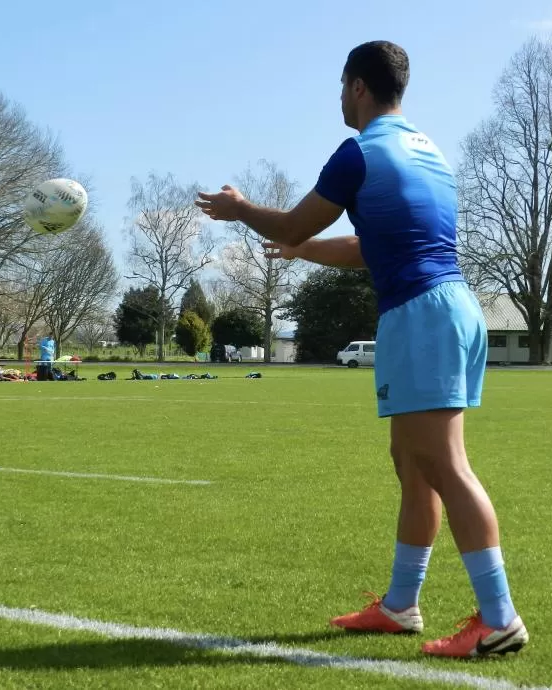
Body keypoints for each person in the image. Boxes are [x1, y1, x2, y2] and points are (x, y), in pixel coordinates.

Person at [195, 41, 527, 659]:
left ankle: (499, 617)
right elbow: (367, 247)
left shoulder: (360, 152)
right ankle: (401, 605)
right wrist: (300, 251)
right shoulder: (428, 152)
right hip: (445, 307)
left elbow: (294, 224)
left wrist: (241, 210)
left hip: (422, 315)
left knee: (446, 464)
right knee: (413, 462)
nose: (338, 98)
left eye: (340, 87)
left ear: (356, 86)